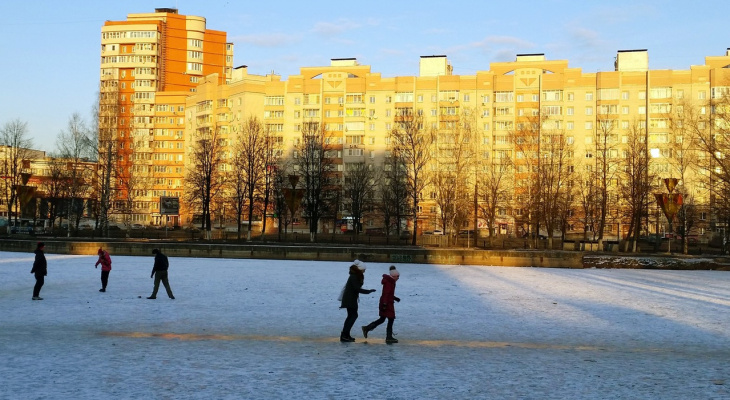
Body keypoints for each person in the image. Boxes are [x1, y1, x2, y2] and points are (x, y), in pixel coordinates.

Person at [362, 266, 401, 343]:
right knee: (391, 318)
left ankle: (367, 328)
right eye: (397, 277)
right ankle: (389, 337)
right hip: (387, 303)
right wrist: (385, 304)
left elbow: (388, 294)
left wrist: (394, 298)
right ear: (393, 276)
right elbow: (386, 294)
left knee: (382, 319)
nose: (398, 278)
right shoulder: (389, 283)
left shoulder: (390, 282)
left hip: (387, 302)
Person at [339, 259, 376, 342]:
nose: (365, 271)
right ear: (360, 269)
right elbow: (357, 289)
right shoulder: (354, 276)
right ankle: (345, 335)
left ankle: (345, 334)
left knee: (351, 316)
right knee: (353, 316)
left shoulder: (354, 275)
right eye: (364, 269)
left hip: (350, 298)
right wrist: (368, 291)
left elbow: (356, 288)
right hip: (350, 299)